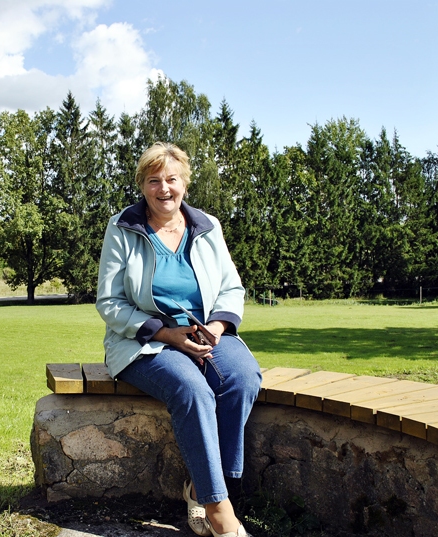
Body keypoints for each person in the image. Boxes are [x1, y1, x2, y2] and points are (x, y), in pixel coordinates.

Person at [95, 142, 261, 537]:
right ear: (143, 185)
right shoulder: (122, 228)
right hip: (143, 341)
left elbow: (232, 288)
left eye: (172, 179)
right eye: (154, 180)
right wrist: (167, 334)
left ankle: (202, 488)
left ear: (185, 182)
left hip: (205, 333)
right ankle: (221, 513)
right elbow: (109, 302)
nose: (164, 188)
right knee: (192, 390)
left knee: (242, 379)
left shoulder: (208, 226)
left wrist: (217, 328)